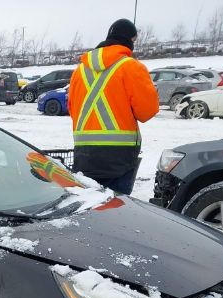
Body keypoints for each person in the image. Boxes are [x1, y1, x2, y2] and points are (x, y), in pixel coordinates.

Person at [67, 19, 159, 195]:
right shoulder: (131, 67)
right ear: (131, 40)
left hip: (84, 154)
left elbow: (72, 109)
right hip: (119, 157)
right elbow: (146, 112)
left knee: (89, 205)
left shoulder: (79, 71)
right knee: (116, 209)